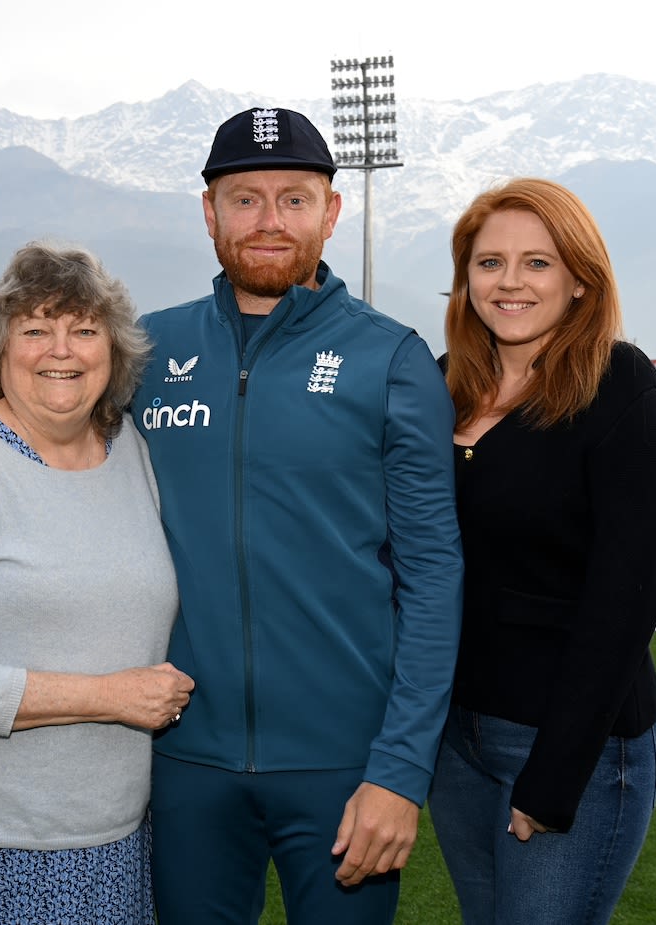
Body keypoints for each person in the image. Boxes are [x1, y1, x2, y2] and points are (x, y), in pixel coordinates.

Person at [131, 107, 463, 924]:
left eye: (294, 198)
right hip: (183, 758)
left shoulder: (390, 357)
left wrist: (399, 770)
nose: (270, 221)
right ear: (208, 212)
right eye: (245, 199)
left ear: (331, 212)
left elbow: (433, 576)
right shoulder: (145, 352)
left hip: (345, 766)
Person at [0, 241, 190, 923]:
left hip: (114, 835)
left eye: (84, 328)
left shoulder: (132, 449)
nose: (63, 349)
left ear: (114, 349)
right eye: (37, 328)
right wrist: (110, 696)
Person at [427, 178, 656, 925]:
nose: (509, 282)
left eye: (537, 262)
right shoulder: (442, 385)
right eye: (489, 261)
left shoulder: (619, 385)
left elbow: (627, 597)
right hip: (456, 739)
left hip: (574, 746)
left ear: (578, 280)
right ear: (465, 277)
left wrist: (556, 772)